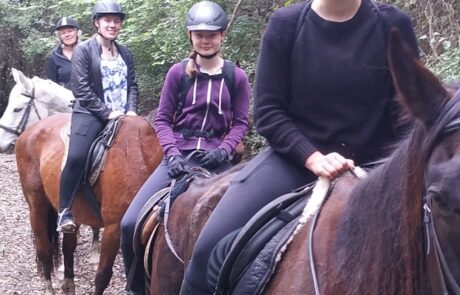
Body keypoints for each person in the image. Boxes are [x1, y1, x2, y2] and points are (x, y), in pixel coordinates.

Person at [180, 0, 420, 293]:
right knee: (208, 246)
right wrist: (312, 157)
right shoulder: (287, 24)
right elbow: (268, 112)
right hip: (295, 161)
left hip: (376, 168)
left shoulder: (392, 24)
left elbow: (409, 107)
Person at [120, 1, 250, 294]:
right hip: (179, 155)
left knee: (241, 224)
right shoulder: (178, 73)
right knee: (129, 223)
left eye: (212, 34)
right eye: (200, 34)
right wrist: (173, 153)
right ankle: (135, 287)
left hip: (218, 160)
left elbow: (241, 122)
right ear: (190, 36)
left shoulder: (236, 77)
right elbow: (163, 120)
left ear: (222, 36)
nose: (206, 40)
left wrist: (225, 150)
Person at [57, 0, 138, 233]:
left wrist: (131, 109)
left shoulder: (125, 52)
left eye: (116, 21)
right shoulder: (84, 50)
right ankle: (65, 210)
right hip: (91, 113)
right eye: (107, 21)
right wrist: (107, 112)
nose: (113, 25)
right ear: (97, 23)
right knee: (76, 156)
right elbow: (81, 88)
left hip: (123, 114)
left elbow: (132, 84)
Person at [46, 16, 80, 89]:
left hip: (90, 98)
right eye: (63, 33)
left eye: (70, 31)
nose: (67, 35)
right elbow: (52, 85)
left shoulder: (88, 51)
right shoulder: (55, 57)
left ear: (77, 32)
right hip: (66, 98)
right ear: (60, 36)